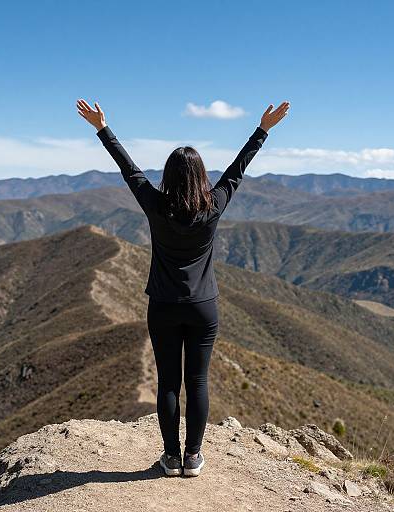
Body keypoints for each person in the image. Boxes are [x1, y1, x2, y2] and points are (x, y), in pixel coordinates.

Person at [76, 97, 290, 477]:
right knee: (199, 381)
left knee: (169, 383)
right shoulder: (213, 206)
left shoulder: (156, 207)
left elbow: (130, 171)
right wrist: (262, 130)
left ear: (169, 177)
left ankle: (171, 457)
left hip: (162, 305)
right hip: (203, 306)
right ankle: (193, 458)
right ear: (201, 176)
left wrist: (103, 129)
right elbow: (236, 172)